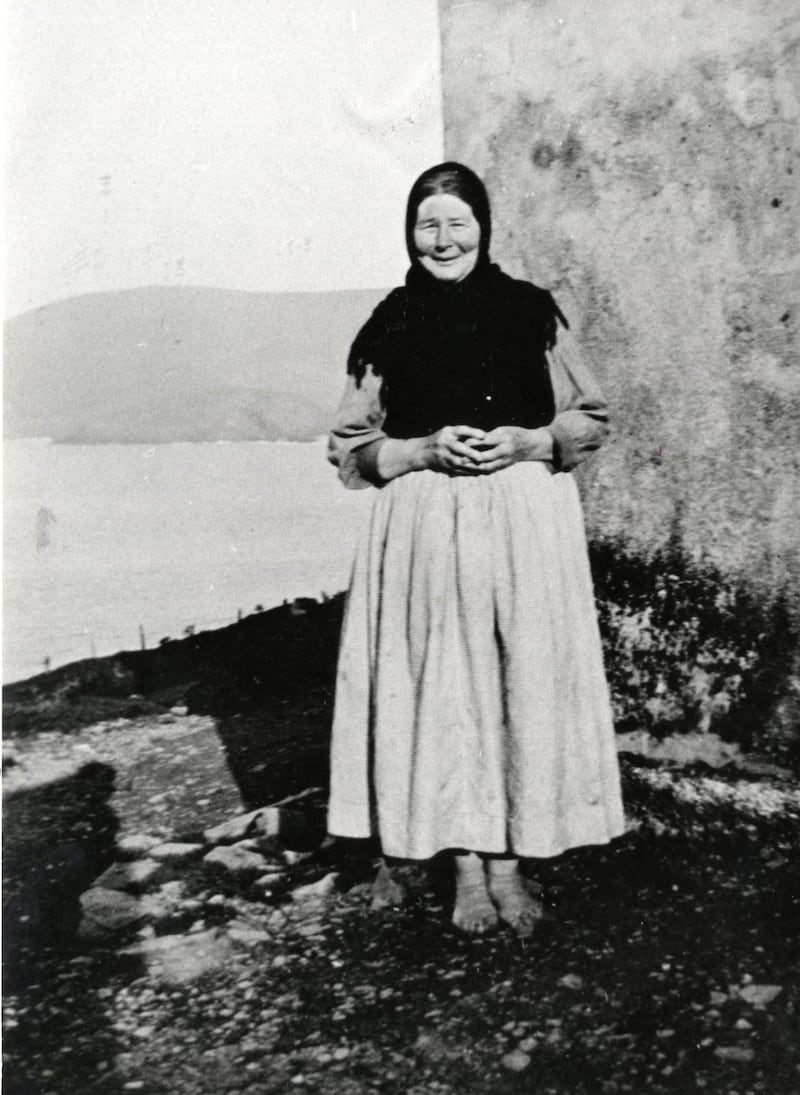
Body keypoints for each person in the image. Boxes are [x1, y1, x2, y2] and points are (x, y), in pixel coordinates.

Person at [327, 162, 624, 936]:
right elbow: (352, 446)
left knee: (516, 681)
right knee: (445, 692)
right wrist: (422, 449)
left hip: (524, 518)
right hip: (424, 527)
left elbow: (589, 416)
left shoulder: (533, 313)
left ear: (484, 228)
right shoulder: (388, 322)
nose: (443, 239)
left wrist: (533, 438)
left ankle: (509, 866)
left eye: (458, 222)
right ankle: (463, 869)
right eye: (428, 223)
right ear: (409, 233)